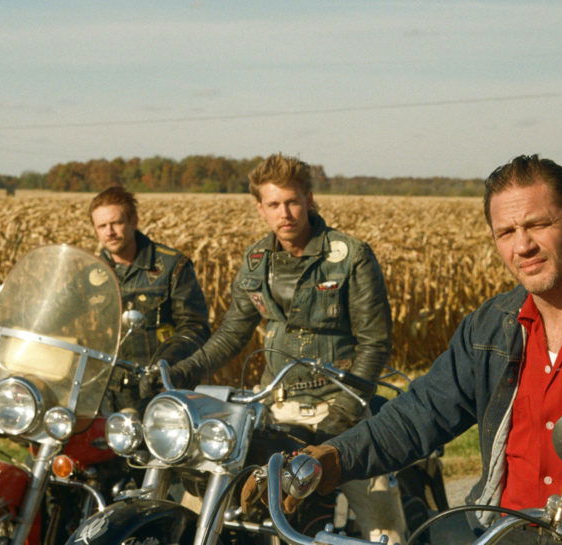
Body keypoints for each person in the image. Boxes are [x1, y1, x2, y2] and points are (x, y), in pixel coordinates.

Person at [249, 155, 562, 545]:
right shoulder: (491, 326)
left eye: (537, 224)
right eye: (506, 232)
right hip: (504, 536)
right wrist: (329, 461)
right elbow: (416, 415)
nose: (522, 246)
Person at [170, 154, 406, 544]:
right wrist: (185, 370)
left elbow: (374, 343)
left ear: (309, 199)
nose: (286, 213)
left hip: (342, 407)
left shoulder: (349, 257)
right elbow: (233, 332)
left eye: (293, 201)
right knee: (206, 502)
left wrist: (344, 417)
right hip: (275, 410)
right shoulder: (256, 262)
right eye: (275, 204)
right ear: (260, 208)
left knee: (382, 521)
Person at [89, 185, 211, 412]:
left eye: (116, 223)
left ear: (134, 221)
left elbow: (195, 327)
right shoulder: (89, 273)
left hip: (158, 391)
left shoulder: (171, 266)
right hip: (103, 393)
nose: (110, 232)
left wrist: (164, 366)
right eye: (102, 226)